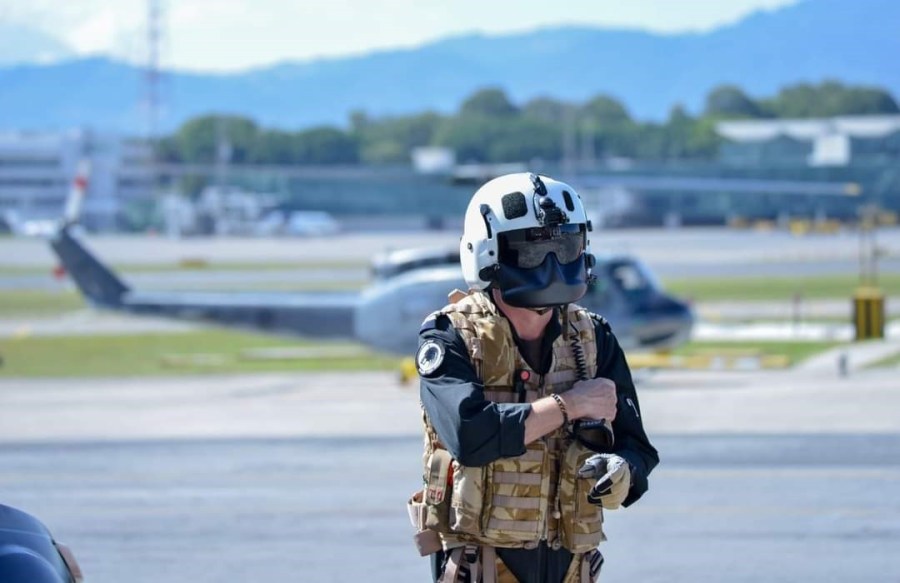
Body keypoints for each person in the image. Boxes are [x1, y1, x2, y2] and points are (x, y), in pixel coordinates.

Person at [407, 173, 658, 583]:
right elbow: (471, 437)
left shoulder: (593, 336)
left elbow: (638, 448)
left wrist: (623, 472)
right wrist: (570, 405)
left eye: (565, 247)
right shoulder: (451, 335)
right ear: (489, 253)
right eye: (533, 251)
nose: (552, 265)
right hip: (483, 565)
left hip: (572, 566)